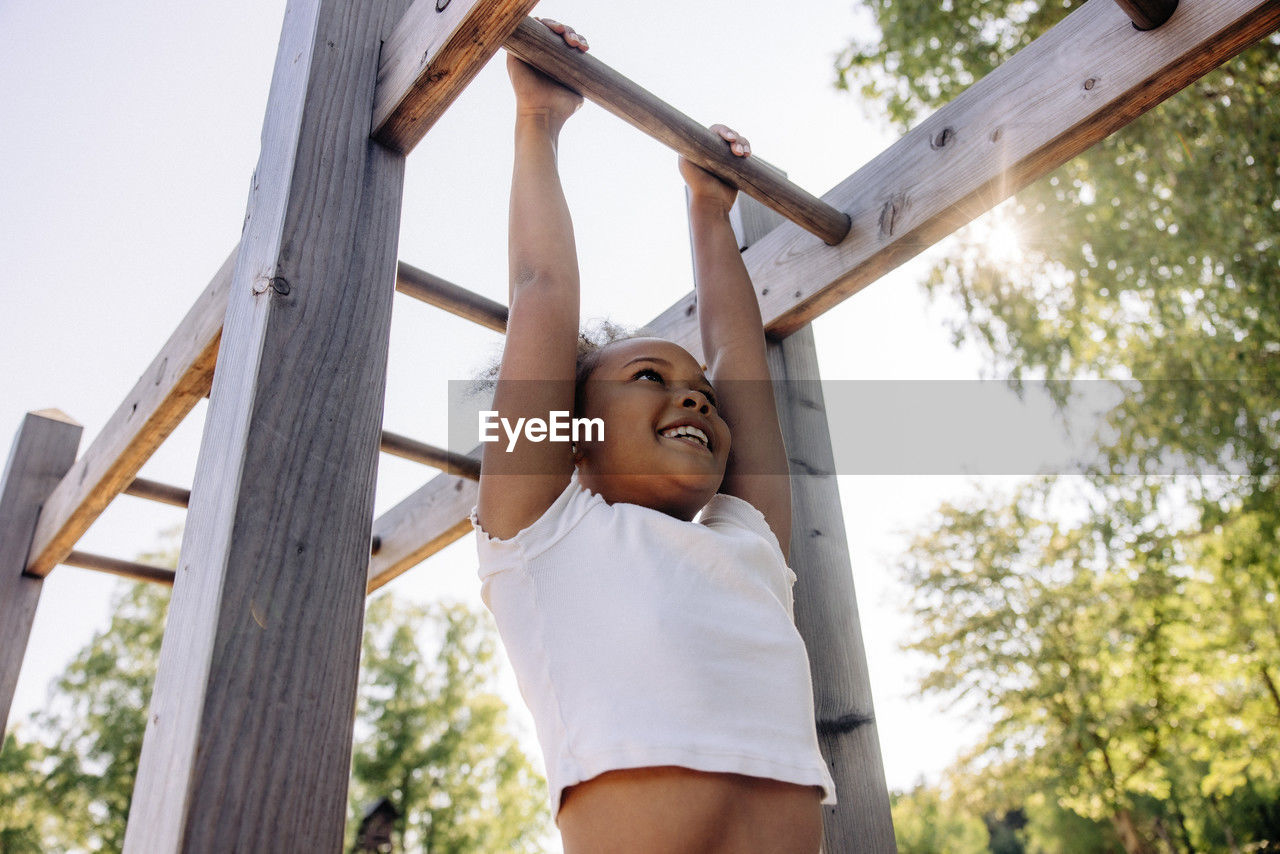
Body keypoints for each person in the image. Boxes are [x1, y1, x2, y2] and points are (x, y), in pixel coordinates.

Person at [471, 18, 836, 853]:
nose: (697, 400)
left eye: (700, 394)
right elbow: (541, 289)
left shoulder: (746, 544)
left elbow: (742, 364)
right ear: (570, 424)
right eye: (650, 380)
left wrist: (709, 209)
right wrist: (539, 122)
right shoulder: (544, 535)